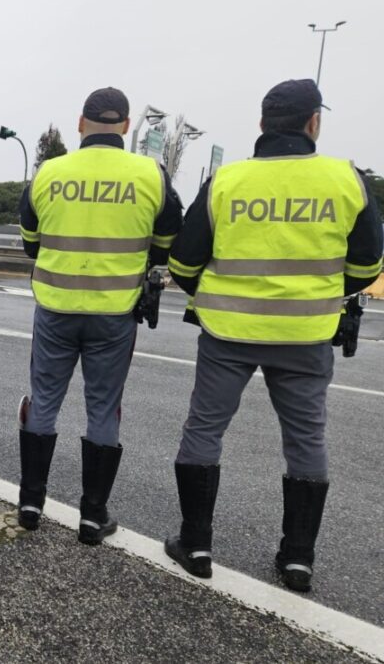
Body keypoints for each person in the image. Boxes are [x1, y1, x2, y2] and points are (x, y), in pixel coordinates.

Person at [163, 79, 383, 591]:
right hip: (307, 333)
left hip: (227, 330)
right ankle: (298, 558)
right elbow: (368, 263)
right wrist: (321, 293)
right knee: (306, 439)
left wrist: (217, 293)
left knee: (204, 430)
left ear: (262, 125)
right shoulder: (344, 177)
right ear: (314, 122)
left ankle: (195, 544)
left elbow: (183, 261)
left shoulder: (227, 181)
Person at [17, 87, 183, 544]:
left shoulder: (49, 172)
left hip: (55, 308)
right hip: (114, 312)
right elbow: (168, 238)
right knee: (104, 409)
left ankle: (30, 504)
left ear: (80, 123)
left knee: (44, 400)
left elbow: (31, 240)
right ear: (127, 126)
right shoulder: (151, 173)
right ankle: (92, 518)